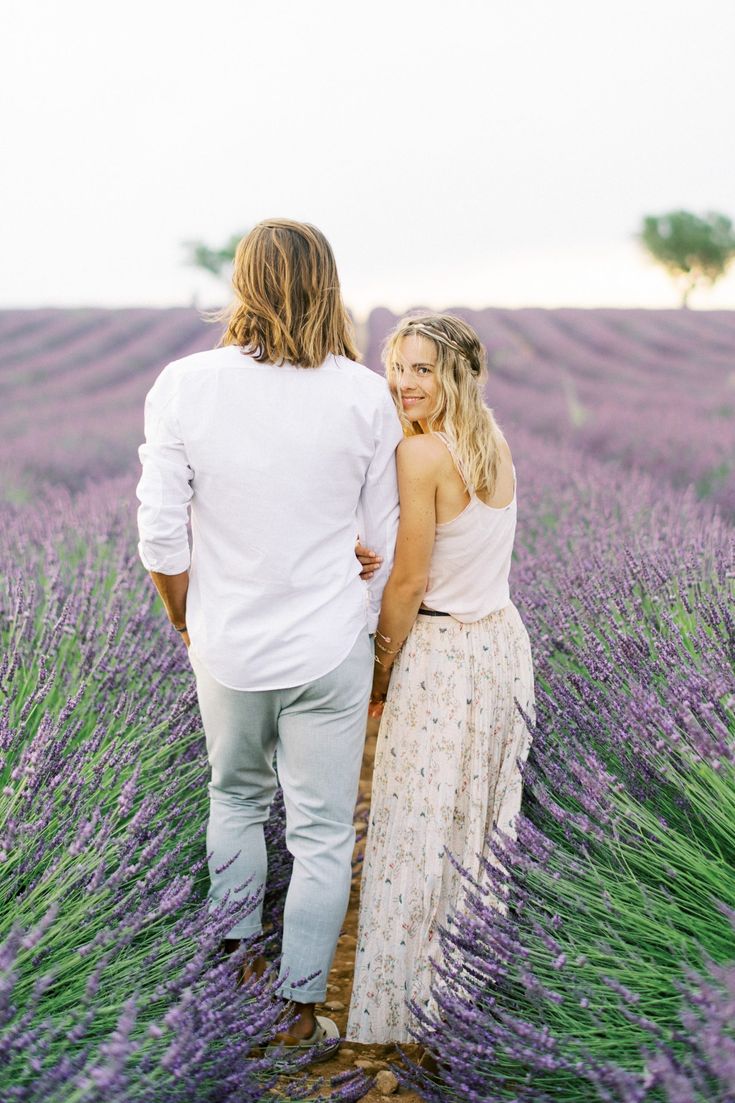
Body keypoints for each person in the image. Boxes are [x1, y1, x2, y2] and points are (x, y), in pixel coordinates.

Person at [136, 219, 402, 1056]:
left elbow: (159, 537)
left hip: (229, 640)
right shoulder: (363, 392)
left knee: (235, 800)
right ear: (328, 286)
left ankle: (234, 981)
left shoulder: (185, 383)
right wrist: (360, 630)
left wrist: (186, 616)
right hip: (328, 641)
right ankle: (295, 1011)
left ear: (241, 284)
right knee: (323, 831)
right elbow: (381, 539)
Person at [347, 313, 536, 1044]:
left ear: (455, 372)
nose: (402, 382)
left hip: (443, 653)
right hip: (499, 647)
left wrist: (377, 666)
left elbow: (412, 580)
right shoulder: (495, 446)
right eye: (396, 367)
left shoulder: (422, 456)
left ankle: (399, 1014)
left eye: (421, 368)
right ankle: (465, 1007)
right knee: (476, 832)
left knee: (415, 830)